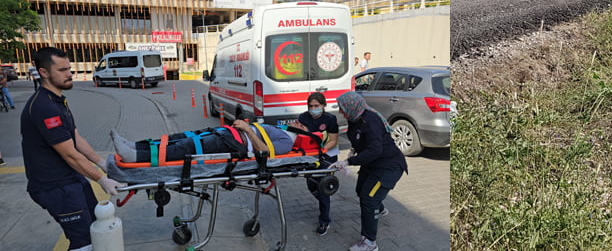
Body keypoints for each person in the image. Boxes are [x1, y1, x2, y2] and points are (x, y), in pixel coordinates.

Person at [22, 46, 122, 251]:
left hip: (72, 179)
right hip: (54, 187)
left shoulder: (58, 101)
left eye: (69, 68)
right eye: (62, 70)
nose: (69, 74)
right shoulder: (43, 107)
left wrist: (101, 163)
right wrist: (100, 179)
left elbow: (76, 138)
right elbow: (69, 154)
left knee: (97, 226)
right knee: (84, 241)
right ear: (44, 72)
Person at [333, 91, 408, 251]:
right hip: (371, 165)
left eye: (342, 108)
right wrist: (354, 150)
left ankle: (369, 242)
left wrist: (348, 161)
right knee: (360, 190)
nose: (340, 111)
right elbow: (360, 138)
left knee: (368, 199)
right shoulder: (354, 118)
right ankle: (378, 209)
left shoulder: (371, 120)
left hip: (388, 167)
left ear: (352, 107)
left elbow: (375, 150)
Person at [109, 115, 320, 163]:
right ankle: (137, 146)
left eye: (301, 124)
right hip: (231, 134)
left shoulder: (287, 142)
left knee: (188, 146)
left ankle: (135, 157)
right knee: (184, 136)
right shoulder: (281, 129)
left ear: (304, 133)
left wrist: (247, 128)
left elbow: (264, 152)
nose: (297, 122)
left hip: (236, 144)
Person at [289, 92, 340, 236]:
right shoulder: (303, 117)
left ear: (323, 105)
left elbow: (333, 141)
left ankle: (324, 220)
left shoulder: (330, 119)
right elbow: (300, 137)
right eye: (310, 106)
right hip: (310, 155)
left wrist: (321, 150)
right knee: (311, 185)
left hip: (326, 155)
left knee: (322, 187)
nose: (313, 108)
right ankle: (325, 201)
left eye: (316, 106)